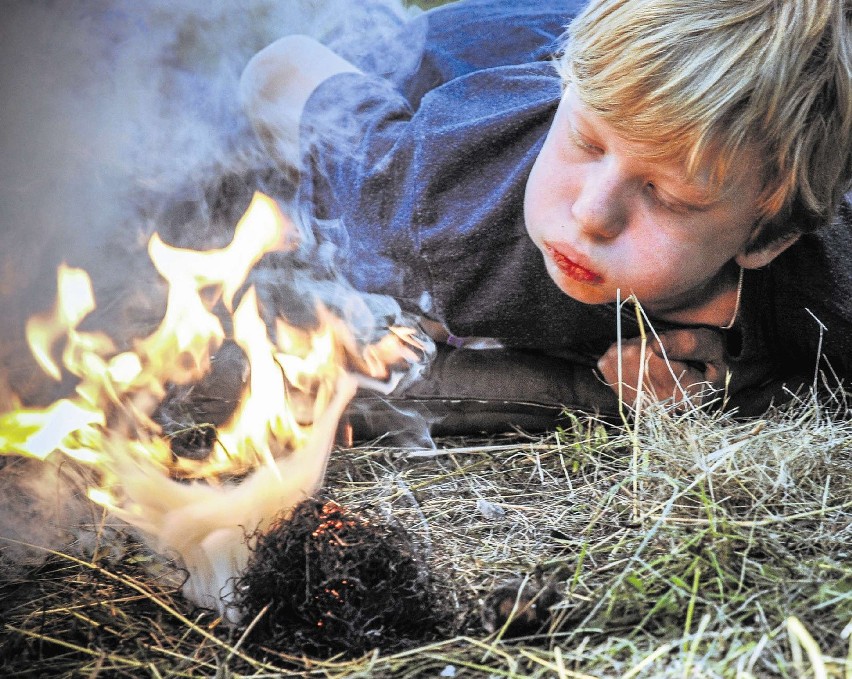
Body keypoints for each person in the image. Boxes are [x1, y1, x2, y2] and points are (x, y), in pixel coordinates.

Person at [239, 0, 852, 414]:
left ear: (768, 237)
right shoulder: (439, 205)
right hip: (463, 55)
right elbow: (279, 68)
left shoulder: (828, 290)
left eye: (666, 195)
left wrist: (740, 379)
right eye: (587, 145)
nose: (591, 213)